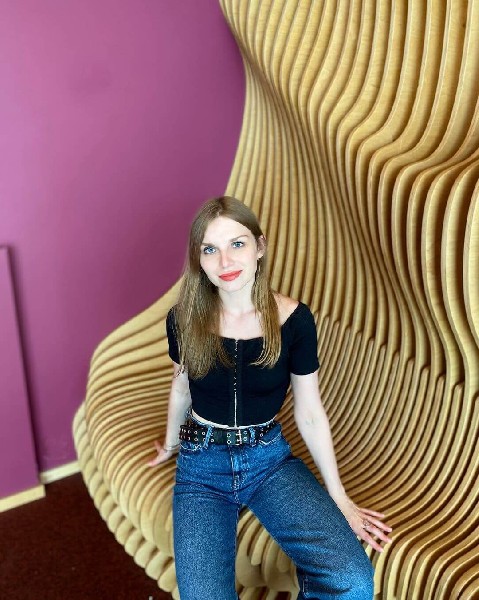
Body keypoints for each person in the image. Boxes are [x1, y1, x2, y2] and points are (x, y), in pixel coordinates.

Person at [149, 196, 392, 599]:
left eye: (237, 244)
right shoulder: (183, 318)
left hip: (268, 460)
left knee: (351, 579)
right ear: (199, 259)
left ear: (259, 247)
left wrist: (340, 497)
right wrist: (172, 444)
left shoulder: (295, 320)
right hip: (201, 465)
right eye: (210, 249)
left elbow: (309, 412)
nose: (225, 261)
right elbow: (182, 387)